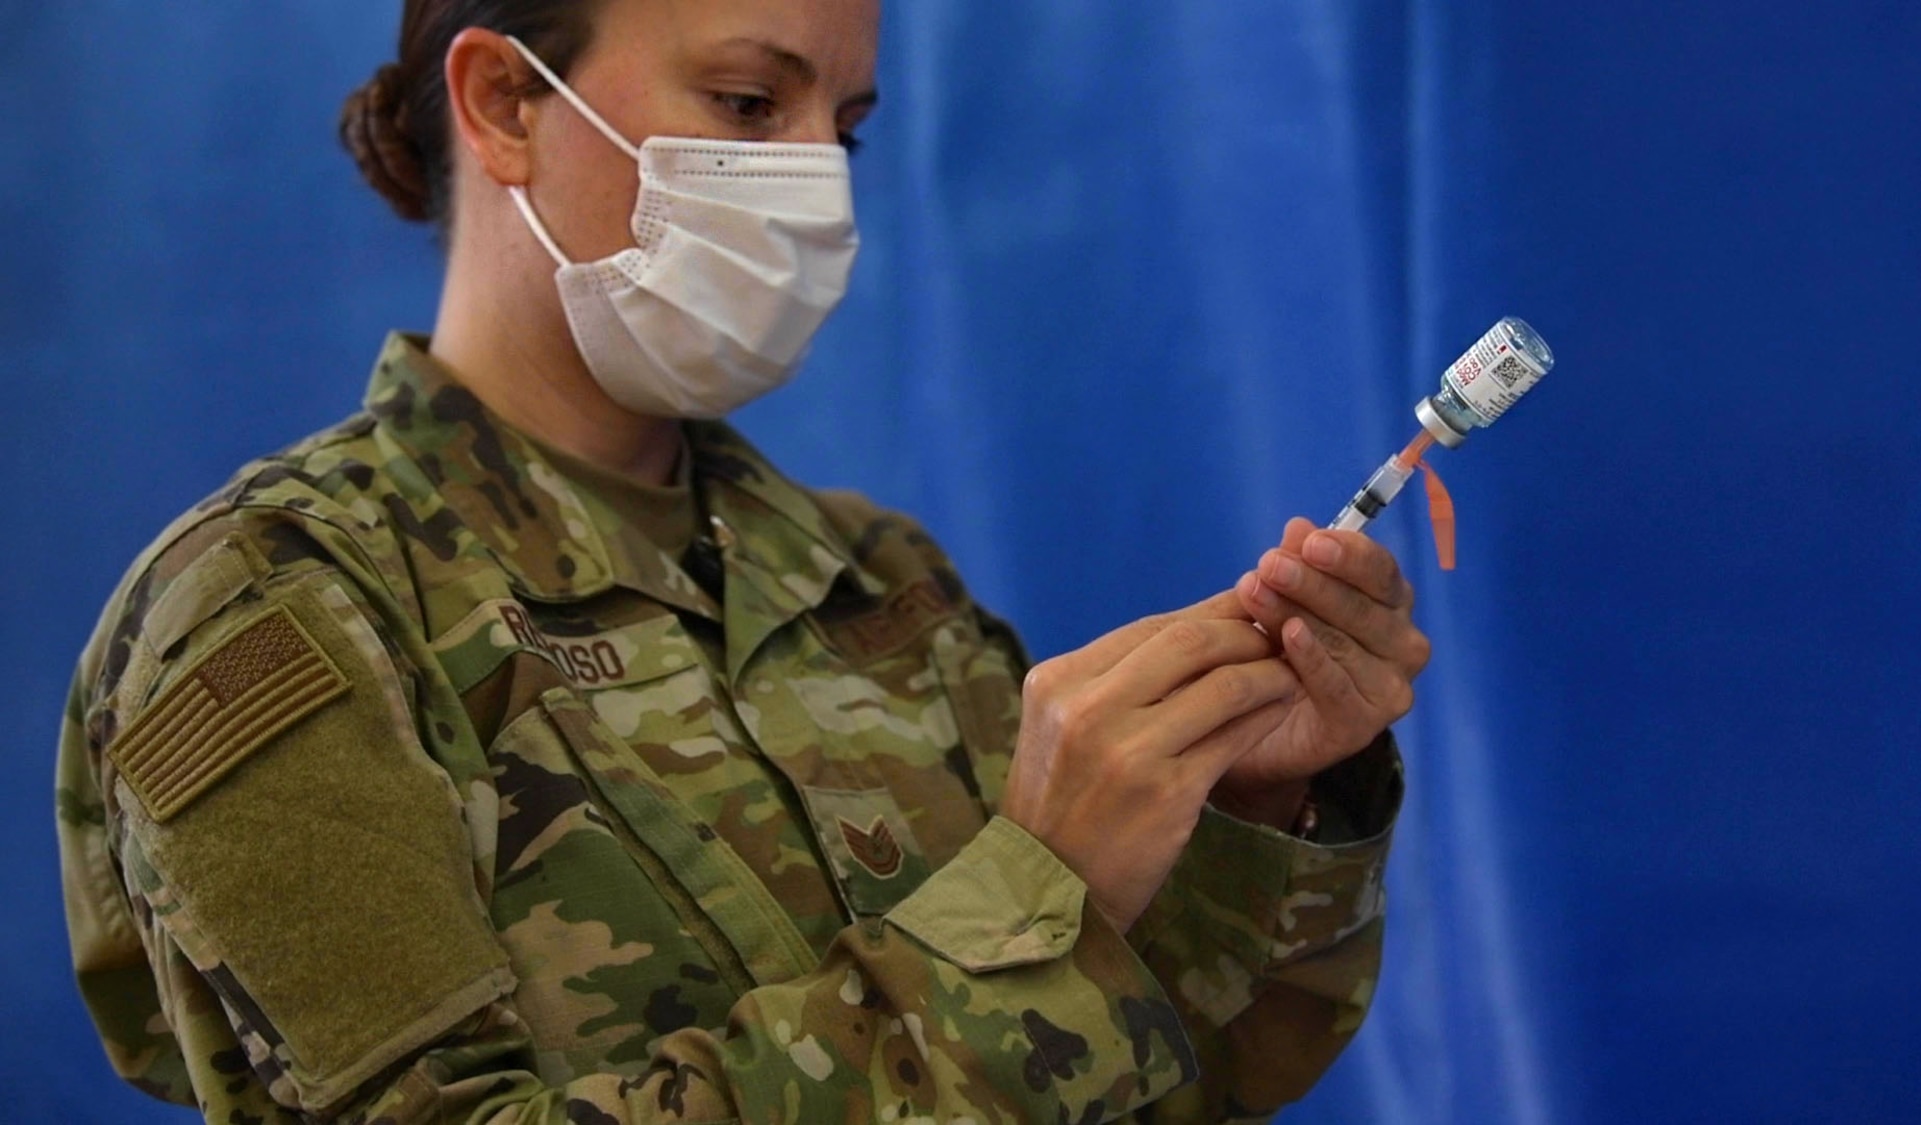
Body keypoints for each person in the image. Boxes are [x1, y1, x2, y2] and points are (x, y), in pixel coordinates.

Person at [55, 0, 1428, 1120]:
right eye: (749, 106)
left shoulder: (870, 574)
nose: (816, 182)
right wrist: (1035, 897)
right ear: (505, 106)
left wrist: (1258, 806)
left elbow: (1167, 1077)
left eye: (848, 126)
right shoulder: (282, 604)